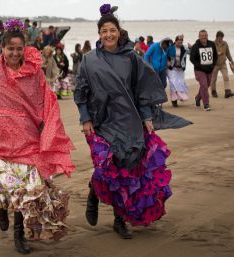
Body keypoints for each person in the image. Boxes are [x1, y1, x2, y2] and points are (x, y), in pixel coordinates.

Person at [74, 4, 173, 239]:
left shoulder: (131, 57)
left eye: (112, 30)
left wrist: (147, 116)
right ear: (99, 34)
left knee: (126, 172)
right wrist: (85, 117)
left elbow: (143, 90)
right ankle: (93, 193)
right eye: (104, 31)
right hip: (102, 123)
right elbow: (80, 92)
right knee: (105, 167)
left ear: (119, 31)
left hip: (129, 123)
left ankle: (120, 221)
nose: (108, 34)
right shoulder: (89, 60)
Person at [0, 18, 75, 254]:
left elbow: (44, 103)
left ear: (24, 48)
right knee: (5, 185)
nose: (14, 53)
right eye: (10, 48)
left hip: (27, 139)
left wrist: (46, 133)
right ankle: (1, 207)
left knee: (30, 189)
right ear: (2, 48)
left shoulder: (34, 72)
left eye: (19, 48)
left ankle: (18, 233)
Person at [190, 29, 218, 111]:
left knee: (206, 85)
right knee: (204, 85)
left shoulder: (212, 44)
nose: (203, 37)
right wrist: (199, 66)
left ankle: (198, 98)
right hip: (199, 70)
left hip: (209, 69)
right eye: (202, 36)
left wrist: (213, 65)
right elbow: (192, 59)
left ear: (207, 36)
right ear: (199, 36)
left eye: (205, 35)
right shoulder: (195, 46)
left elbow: (215, 56)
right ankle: (206, 104)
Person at [209, 30, 234, 98]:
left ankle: (227, 91)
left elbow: (228, 53)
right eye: (219, 38)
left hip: (223, 64)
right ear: (216, 37)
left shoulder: (225, 43)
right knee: (213, 79)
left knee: (226, 77)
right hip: (215, 65)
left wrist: (231, 60)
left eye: (222, 38)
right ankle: (213, 91)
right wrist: (217, 54)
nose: (221, 39)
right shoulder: (212, 44)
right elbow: (210, 54)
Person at [167, 35, 190, 107]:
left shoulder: (184, 48)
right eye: (178, 42)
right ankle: (174, 100)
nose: (180, 44)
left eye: (181, 42)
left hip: (180, 68)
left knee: (180, 83)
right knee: (173, 83)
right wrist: (167, 62)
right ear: (175, 41)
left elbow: (191, 52)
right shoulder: (170, 48)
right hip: (171, 68)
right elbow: (165, 55)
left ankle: (180, 96)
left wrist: (191, 47)